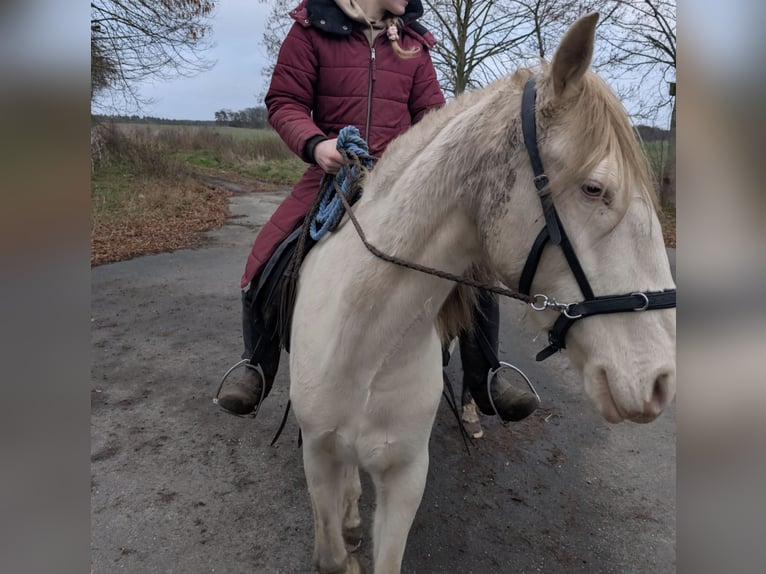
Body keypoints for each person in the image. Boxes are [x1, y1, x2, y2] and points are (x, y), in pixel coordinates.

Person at [215, 0, 540, 428]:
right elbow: (284, 101)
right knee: (267, 255)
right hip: (333, 175)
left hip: (403, 182)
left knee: (473, 266)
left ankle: (488, 373)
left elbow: (433, 116)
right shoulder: (310, 30)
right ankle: (256, 365)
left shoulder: (413, 43)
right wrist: (317, 145)